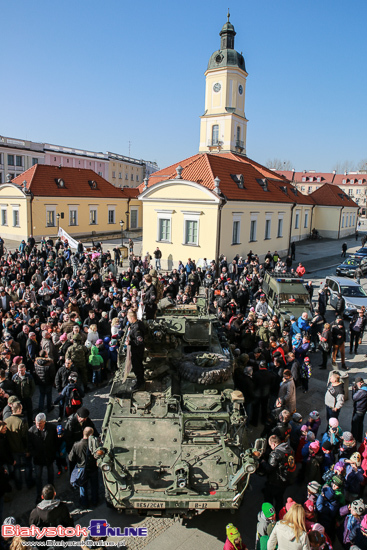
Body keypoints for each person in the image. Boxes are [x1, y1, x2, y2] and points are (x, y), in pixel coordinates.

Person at [262, 434, 296, 514]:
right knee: (279, 498)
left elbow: (269, 468)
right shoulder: (289, 449)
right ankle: (279, 514)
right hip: (285, 479)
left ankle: (269, 514)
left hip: (275, 480)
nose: (271, 447)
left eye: (270, 445)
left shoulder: (275, 454)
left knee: (268, 498)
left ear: (274, 444)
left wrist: (263, 463)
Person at [28, 412, 57, 503]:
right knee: (38, 476)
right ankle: (39, 494)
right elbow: (30, 445)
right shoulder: (31, 431)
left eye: (40, 424)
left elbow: (55, 441)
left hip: (49, 456)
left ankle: (51, 491)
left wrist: (53, 451)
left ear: (44, 422)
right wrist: (34, 453)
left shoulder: (51, 428)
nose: (38, 426)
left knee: (50, 474)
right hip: (38, 458)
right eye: (37, 424)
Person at [68, 427, 99, 507]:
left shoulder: (76, 445)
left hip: (81, 468)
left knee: (82, 486)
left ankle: (84, 502)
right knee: (94, 485)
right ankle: (95, 500)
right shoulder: (94, 445)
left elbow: (71, 458)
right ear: (91, 435)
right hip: (92, 468)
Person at [126, 310, 145, 390]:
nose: (128, 320)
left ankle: (139, 382)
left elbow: (139, 341)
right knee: (139, 365)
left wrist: (130, 342)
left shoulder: (137, 328)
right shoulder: (138, 324)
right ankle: (140, 379)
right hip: (138, 350)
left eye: (129, 318)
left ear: (132, 318)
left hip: (137, 350)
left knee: (137, 366)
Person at [351, 376, 367, 443]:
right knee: (360, 424)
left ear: (360, 383)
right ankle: (359, 438)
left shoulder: (362, 391)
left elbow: (354, 398)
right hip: (363, 410)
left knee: (354, 424)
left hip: (359, 410)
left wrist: (354, 391)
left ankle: (354, 438)